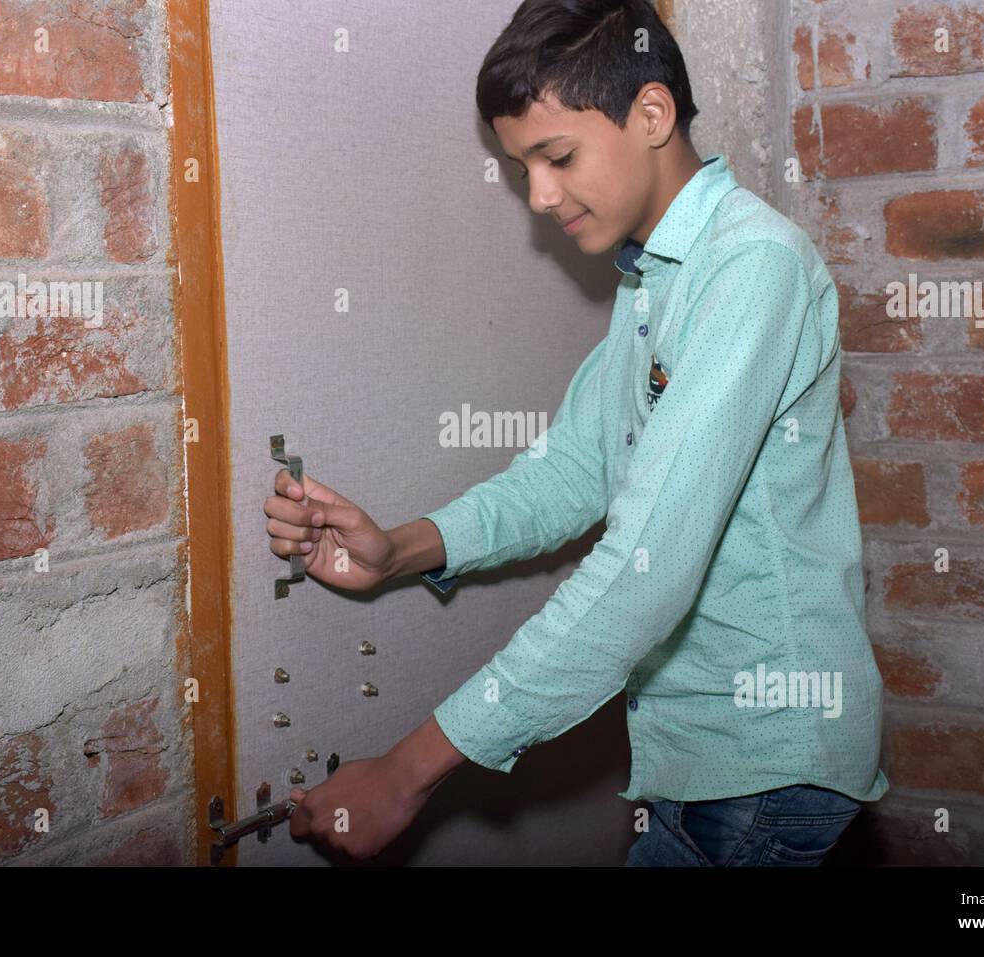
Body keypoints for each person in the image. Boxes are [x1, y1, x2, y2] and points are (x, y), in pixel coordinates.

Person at [264, 0, 889, 866]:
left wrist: (406, 772)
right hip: (705, 765)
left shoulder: (753, 269)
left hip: (764, 769)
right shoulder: (651, 281)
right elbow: (576, 469)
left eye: (556, 157)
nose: (540, 196)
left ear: (653, 114)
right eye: (523, 167)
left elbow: (647, 568)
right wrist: (401, 548)